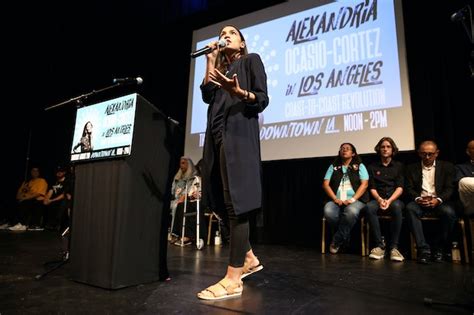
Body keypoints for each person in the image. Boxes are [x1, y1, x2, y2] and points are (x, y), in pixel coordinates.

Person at [196, 25, 269, 300]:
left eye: (231, 33)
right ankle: (248, 257)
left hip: (238, 138)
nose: (224, 35)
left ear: (241, 43)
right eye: (221, 34)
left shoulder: (251, 61)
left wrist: (239, 93)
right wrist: (211, 60)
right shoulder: (219, 71)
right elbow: (206, 95)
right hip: (216, 140)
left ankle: (233, 278)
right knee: (219, 202)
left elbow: (262, 99)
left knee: (237, 205)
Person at [405, 140, 457, 264]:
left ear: (437, 153)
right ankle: (423, 250)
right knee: (409, 209)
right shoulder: (411, 168)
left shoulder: (447, 167)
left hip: (439, 201)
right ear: (419, 153)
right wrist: (418, 199)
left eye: (430, 154)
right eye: (423, 154)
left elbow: (450, 188)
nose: (427, 157)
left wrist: (438, 200)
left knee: (449, 213)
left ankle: (439, 248)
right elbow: (408, 188)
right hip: (420, 201)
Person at [322, 143, 369, 255]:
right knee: (328, 211)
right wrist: (334, 198)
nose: (344, 150)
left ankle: (336, 241)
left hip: (356, 200)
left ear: (353, 153)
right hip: (336, 200)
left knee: (351, 211)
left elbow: (365, 184)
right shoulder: (333, 166)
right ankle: (345, 238)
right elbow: (325, 184)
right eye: (342, 149)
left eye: (347, 149)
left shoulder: (360, 166)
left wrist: (352, 199)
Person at [366, 137, 405, 261]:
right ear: (379, 149)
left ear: (392, 149)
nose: (385, 149)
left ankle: (394, 247)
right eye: (382, 147)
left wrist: (389, 200)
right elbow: (371, 187)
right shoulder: (372, 166)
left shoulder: (399, 166)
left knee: (397, 207)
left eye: (388, 146)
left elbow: (400, 187)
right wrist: (379, 199)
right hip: (378, 198)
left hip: (393, 199)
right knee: (369, 207)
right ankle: (379, 246)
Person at [4, 166, 48, 231]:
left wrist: (25, 198)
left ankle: (22, 224)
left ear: (39, 173)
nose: (34, 172)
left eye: (36, 171)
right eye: (33, 171)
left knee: (26, 203)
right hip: (27, 199)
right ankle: (10, 223)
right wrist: (22, 190)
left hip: (37, 201)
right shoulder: (28, 182)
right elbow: (18, 196)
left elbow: (38, 194)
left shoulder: (42, 181)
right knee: (11, 202)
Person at [455, 139, 474, 215]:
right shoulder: (460, 168)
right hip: (471, 205)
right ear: (468, 152)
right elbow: (461, 186)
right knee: (463, 182)